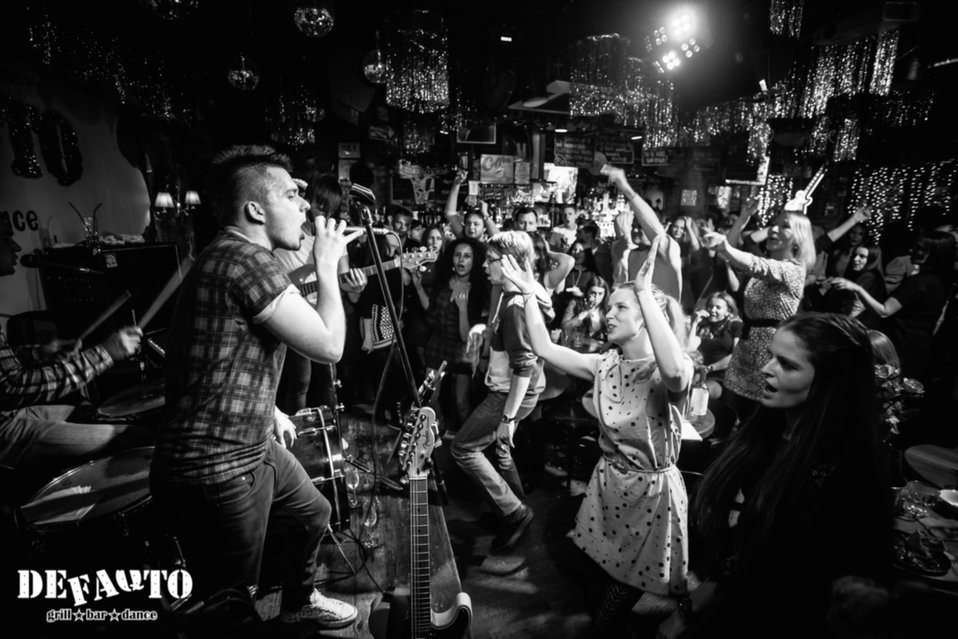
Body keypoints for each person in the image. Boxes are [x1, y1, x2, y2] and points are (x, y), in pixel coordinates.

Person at [149, 145, 361, 629]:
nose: (305, 206)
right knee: (231, 602)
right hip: (216, 467)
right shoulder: (246, 260)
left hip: (252, 446)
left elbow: (221, 356)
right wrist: (327, 264)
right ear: (256, 210)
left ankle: (298, 600)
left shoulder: (232, 256)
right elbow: (329, 346)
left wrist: (270, 410)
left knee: (312, 512)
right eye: (291, 195)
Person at [657, 313, 893, 639]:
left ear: (832, 381)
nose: (767, 369)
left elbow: (772, 562)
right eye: (771, 356)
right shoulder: (770, 428)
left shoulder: (843, 467)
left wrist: (691, 608)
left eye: (788, 365)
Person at [500, 235, 692, 634]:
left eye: (621, 307)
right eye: (609, 307)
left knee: (618, 598)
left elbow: (675, 372)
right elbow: (543, 347)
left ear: (646, 318)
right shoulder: (604, 364)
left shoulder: (668, 371)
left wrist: (644, 292)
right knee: (600, 572)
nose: (609, 314)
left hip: (649, 494)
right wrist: (529, 293)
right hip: (608, 484)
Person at [0, 217, 151, 500]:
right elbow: (11, 387)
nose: (16, 246)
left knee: (101, 417)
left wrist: (41, 353)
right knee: (128, 440)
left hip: (11, 414)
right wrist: (105, 354)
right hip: (4, 428)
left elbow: (5, 367)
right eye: (6, 237)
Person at [453, 231, 544, 553]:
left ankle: (515, 512)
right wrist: (484, 329)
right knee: (501, 451)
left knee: (463, 448)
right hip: (511, 390)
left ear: (509, 263)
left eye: (490, 260)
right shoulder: (509, 293)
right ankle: (512, 510)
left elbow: (524, 368)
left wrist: (507, 418)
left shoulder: (515, 305)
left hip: (509, 394)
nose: (483, 265)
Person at [702, 208, 816, 425]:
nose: (774, 229)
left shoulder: (794, 270)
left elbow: (755, 263)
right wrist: (742, 217)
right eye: (773, 224)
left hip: (769, 355)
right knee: (729, 417)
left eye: (784, 226)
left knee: (755, 423)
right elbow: (736, 253)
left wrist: (726, 247)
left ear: (798, 239)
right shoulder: (763, 266)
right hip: (744, 351)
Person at [832, 231, 955, 383]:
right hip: (920, 346)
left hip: (901, 345)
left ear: (934, 254)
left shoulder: (918, 282)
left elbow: (884, 311)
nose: (912, 250)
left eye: (920, 248)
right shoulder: (941, 282)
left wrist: (857, 288)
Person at [416, 236, 488, 436]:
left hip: (462, 350)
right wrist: (418, 287)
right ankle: (440, 429)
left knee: (461, 402)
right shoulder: (442, 282)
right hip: (438, 344)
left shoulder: (477, 290)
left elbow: (465, 336)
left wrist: (463, 309)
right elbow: (431, 314)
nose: (461, 260)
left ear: (474, 261)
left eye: (467, 256)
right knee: (429, 397)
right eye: (458, 255)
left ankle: (467, 441)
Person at [689, 291, 742, 400]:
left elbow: (736, 355)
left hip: (719, 376)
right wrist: (695, 323)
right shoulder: (702, 324)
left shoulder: (735, 326)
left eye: (718, 307)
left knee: (699, 393)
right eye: (710, 306)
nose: (712, 310)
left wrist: (710, 368)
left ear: (728, 310)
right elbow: (690, 348)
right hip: (697, 372)